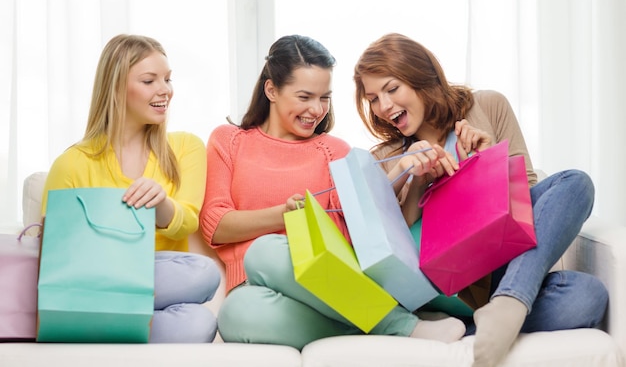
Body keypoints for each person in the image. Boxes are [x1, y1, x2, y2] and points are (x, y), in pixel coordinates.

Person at [353, 32, 609, 367]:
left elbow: (533, 202)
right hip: (456, 290)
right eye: (372, 98)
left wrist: (487, 163)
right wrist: (415, 178)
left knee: (578, 196)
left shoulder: (487, 106)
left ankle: (502, 308)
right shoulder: (386, 156)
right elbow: (386, 242)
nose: (383, 106)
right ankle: (496, 311)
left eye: (391, 89)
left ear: (420, 77)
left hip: (505, 265)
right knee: (584, 298)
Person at [199, 34, 466, 350]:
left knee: (265, 248)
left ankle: (396, 324)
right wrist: (282, 216)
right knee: (234, 314)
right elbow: (215, 225)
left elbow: (353, 223)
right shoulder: (228, 140)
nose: (316, 110)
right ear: (271, 90)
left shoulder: (333, 151)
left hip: (328, 285)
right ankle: (390, 323)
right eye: (305, 97)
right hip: (255, 286)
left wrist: (399, 172)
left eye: (324, 97)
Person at [41, 34, 221, 343]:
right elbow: (55, 253)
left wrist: (160, 203)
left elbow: (187, 222)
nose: (165, 90)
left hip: (157, 288)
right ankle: (115, 321)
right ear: (115, 87)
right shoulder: (71, 163)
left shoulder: (184, 148)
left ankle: (117, 329)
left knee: (201, 299)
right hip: (96, 281)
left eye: (167, 79)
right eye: (149, 80)